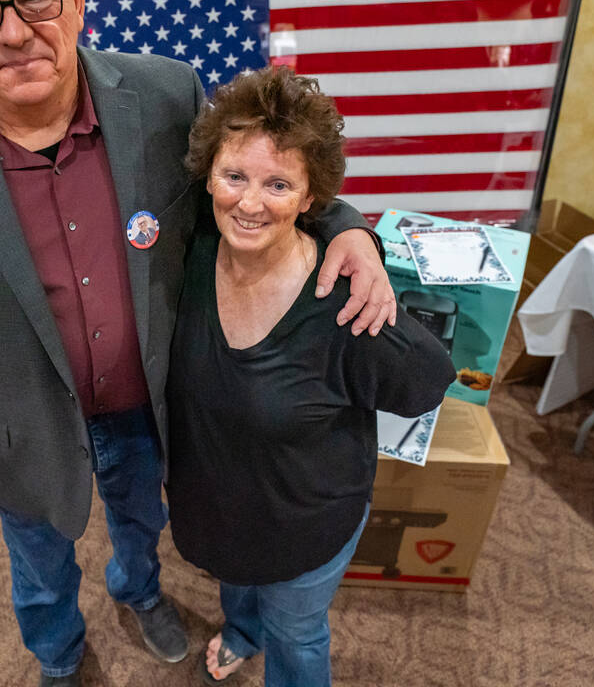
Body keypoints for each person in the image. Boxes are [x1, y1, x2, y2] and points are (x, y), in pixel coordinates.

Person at [0, 0, 397, 685]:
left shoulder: (167, 95)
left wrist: (346, 225)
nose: (13, 31)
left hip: (149, 408)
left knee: (141, 526)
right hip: (23, 431)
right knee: (38, 567)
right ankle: (58, 657)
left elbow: (255, 180)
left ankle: (138, 591)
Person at [165, 66, 455, 686]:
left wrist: (361, 245)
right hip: (218, 508)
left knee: (296, 634)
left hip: (303, 523)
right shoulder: (191, 250)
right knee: (237, 584)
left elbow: (427, 380)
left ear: (309, 199)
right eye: (234, 176)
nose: (248, 203)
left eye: (278, 184)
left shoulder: (344, 302)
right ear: (208, 176)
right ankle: (242, 631)